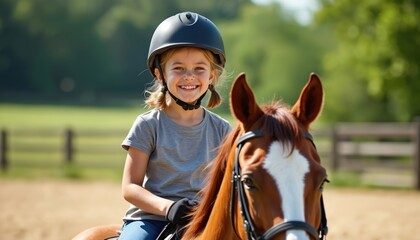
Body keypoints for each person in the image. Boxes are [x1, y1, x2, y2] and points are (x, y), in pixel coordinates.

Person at [118, 11, 231, 240]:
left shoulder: (223, 130)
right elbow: (130, 187)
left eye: (199, 68)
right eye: (178, 68)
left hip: (206, 218)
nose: (189, 76)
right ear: (160, 74)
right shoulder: (148, 125)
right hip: (151, 219)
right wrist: (169, 208)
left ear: (212, 76)